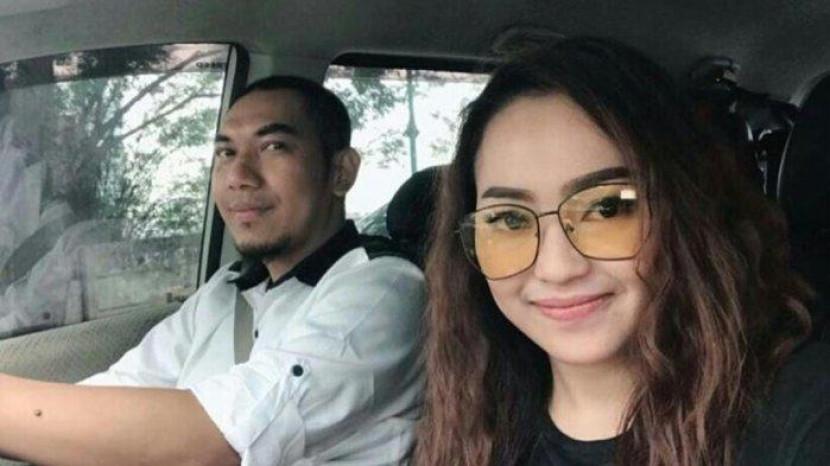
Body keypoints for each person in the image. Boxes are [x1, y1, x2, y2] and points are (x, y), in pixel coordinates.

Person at [416, 37, 830, 466]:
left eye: (607, 208)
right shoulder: (470, 417)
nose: (557, 268)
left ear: (683, 212)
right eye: (509, 219)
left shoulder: (803, 411)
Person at [0, 75, 426, 465]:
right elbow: (124, 388)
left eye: (274, 147)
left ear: (340, 172)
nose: (238, 175)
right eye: (226, 152)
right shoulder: (226, 290)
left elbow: (222, 439)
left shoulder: (384, 290)